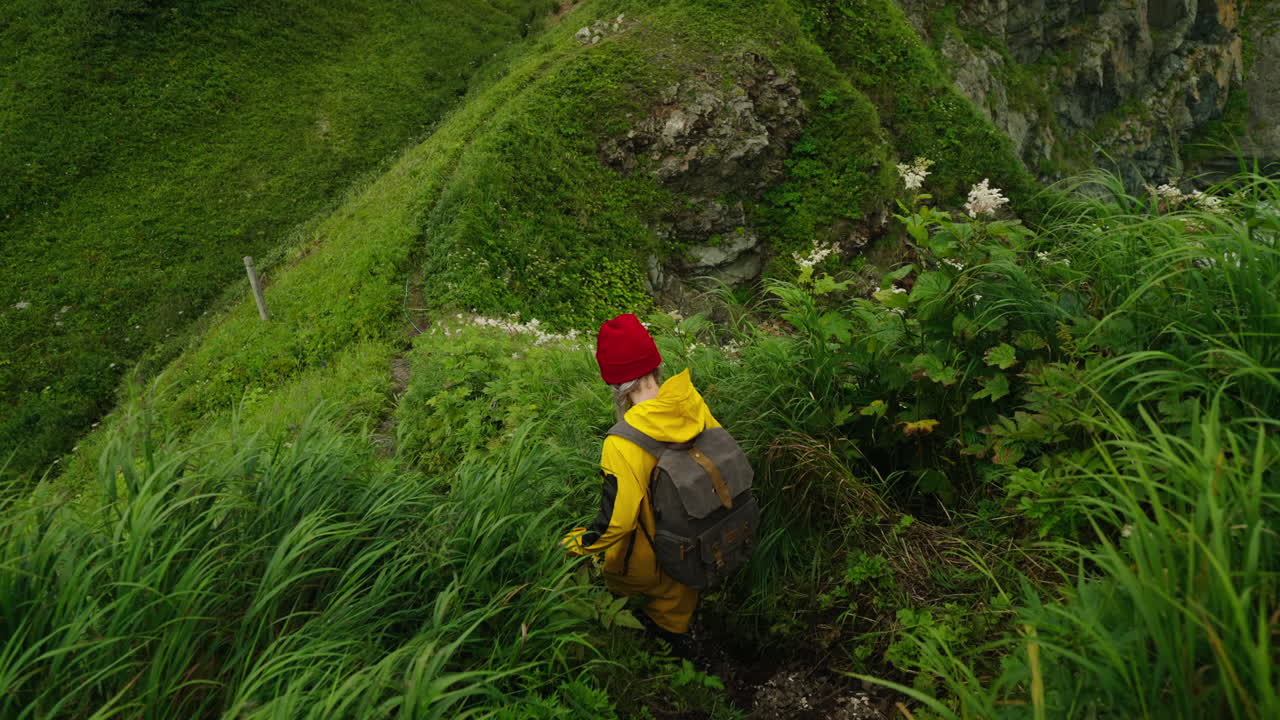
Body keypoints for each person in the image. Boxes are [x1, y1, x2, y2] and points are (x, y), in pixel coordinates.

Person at [561, 313, 721, 648]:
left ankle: (675, 653)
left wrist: (576, 545)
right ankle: (694, 638)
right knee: (684, 608)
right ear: (655, 365)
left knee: (663, 635)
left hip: (656, 566)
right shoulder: (689, 401)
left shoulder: (622, 442)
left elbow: (617, 523)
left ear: (614, 383)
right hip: (703, 540)